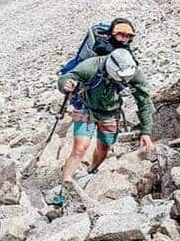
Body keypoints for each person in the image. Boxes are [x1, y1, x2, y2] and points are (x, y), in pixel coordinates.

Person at [50, 18, 154, 206]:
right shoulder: (93, 65)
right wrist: (66, 84)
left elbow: (144, 100)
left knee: (104, 148)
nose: (125, 38)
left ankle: (92, 170)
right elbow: (69, 76)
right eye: (121, 34)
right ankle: (64, 190)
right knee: (80, 148)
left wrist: (146, 131)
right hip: (87, 107)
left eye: (128, 36)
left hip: (110, 112)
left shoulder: (132, 70)